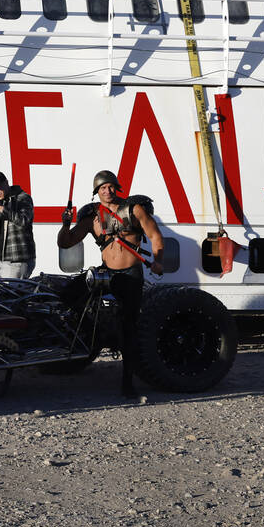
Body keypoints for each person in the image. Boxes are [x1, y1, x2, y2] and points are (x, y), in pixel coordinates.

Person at [56, 169, 165, 398]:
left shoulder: (134, 209)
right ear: (97, 192)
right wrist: (65, 224)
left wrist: (158, 260)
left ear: (117, 188)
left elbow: (154, 235)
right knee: (67, 295)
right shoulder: (92, 216)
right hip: (106, 273)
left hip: (130, 274)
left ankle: (128, 383)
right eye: (102, 188)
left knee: (129, 328)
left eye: (110, 186)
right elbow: (66, 242)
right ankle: (88, 337)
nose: (107, 191)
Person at [0, 171, 36, 279]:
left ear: (6, 182)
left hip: (18, 260)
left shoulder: (22, 198)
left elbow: (23, 220)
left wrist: (0, 207)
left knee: (7, 294)